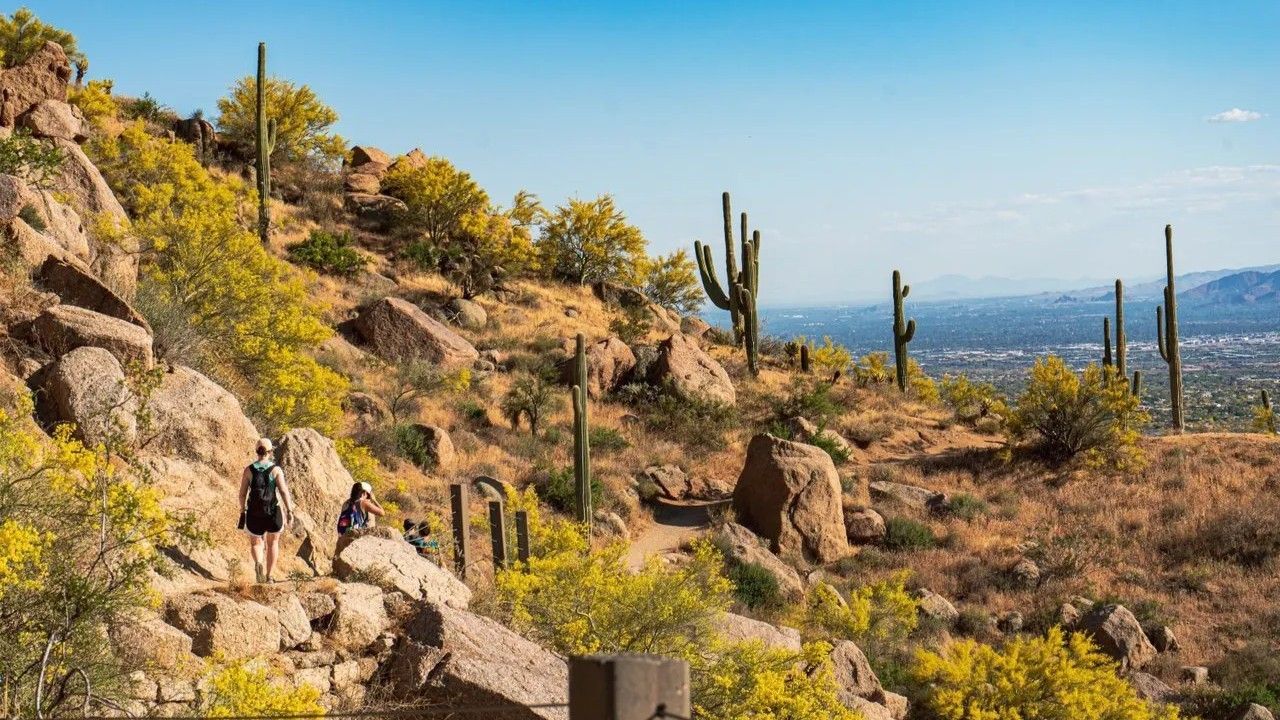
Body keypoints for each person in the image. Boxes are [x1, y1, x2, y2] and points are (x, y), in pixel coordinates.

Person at [238, 438, 294, 584]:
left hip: (254, 513)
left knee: (256, 543)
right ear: (270, 452)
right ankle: (269, 576)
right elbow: (283, 490)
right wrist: (289, 510)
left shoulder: (249, 470)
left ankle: (258, 563)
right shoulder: (275, 470)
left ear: (257, 451)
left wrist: (242, 510)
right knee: (273, 543)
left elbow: (242, 494)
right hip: (273, 512)